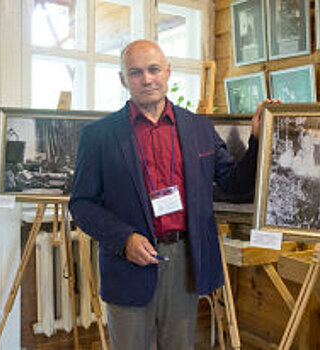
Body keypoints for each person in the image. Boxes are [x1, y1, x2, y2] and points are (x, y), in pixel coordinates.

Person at [69, 40, 277, 350]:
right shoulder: (98, 136)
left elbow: (234, 184)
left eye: (154, 70)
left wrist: (258, 140)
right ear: (123, 79)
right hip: (128, 264)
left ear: (167, 72)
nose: (147, 79)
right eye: (136, 72)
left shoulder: (198, 127)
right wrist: (124, 239)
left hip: (184, 260)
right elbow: (82, 204)